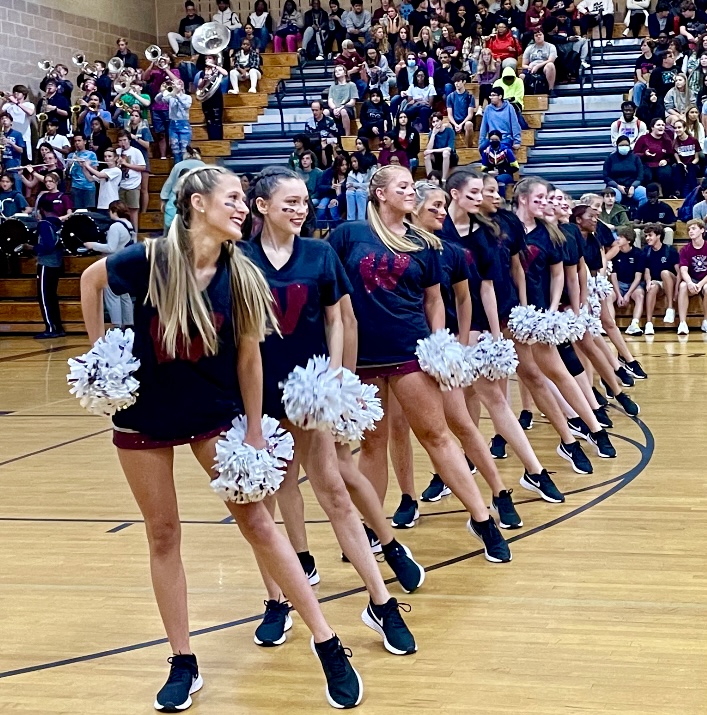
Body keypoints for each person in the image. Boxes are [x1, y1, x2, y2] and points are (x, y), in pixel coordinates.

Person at [79, 166, 363, 710]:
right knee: (163, 535)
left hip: (213, 412)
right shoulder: (150, 258)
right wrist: (100, 353)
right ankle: (183, 661)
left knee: (258, 520)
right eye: (232, 197)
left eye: (243, 199)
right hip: (144, 414)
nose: (241, 206)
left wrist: (255, 429)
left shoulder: (244, 274)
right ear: (196, 204)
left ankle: (327, 642)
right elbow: (92, 282)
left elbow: (251, 361)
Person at [242, 166, 420, 655]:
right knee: (268, 503)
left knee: (334, 493)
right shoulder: (238, 260)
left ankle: (380, 601)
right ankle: (278, 598)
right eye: (289, 203)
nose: (300, 210)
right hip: (255, 396)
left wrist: (338, 379)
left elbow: (341, 317)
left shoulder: (319, 253)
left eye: (303, 201)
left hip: (310, 391)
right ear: (261, 207)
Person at [515, 177, 620, 456]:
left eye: (549, 199)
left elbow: (566, 273)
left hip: (537, 313)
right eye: (540, 198)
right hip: (504, 314)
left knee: (556, 372)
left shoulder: (551, 234)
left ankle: (591, 426)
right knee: (515, 379)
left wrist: (555, 308)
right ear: (523, 199)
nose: (546, 203)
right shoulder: (503, 230)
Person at [29, 171, 72, 339]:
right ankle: (57, 327)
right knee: (51, 296)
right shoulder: (54, 225)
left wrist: (31, 248)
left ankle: (52, 328)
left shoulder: (45, 224)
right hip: (56, 262)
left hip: (47, 264)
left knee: (45, 297)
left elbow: (47, 246)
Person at [82, 199, 135, 329]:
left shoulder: (115, 226)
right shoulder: (129, 225)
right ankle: (129, 324)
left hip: (114, 263)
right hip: (127, 263)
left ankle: (116, 326)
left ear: (113, 211)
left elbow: (111, 248)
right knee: (124, 295)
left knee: (112, 295)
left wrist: (92, 245)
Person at [642, 222, 680, 334]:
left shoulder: (670, 250)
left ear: (658, 236)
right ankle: (649, 323)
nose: (647, 238)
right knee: (652, 287)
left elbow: (679, 272)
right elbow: (647, 270)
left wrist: (677, 289)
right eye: (646, 236)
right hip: (657, 282)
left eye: (650, 235)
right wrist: (648, 282)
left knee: (664, 273)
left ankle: (670, 308)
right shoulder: (646, 251)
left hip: (670, 280)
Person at [610, 226, 646, 335]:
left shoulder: (639, 254)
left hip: (633, 284)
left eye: (621, 237)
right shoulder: (615, 253)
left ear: (629, 240)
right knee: (607, 295)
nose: (618, 239)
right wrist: (619, 295)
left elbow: (638, 277)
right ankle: (611, 325)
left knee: (640, 294)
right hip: (619, 284)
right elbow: (613, 276)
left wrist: (628, 294)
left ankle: (634, 324)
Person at [159, 146, 205, 232]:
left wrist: (163, 199)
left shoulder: (178, 165)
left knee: (169, 229)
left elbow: (169, 183)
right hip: (196, 200)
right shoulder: (203, 166)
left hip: (176, 199)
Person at [144, 58, 181, 161]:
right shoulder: (155, 72)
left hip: (170, 106)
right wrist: (152, 64)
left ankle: (172, 153)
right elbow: (144, 77)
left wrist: (166, 69)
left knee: (171, 132)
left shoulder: (174, 71)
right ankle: (163, 155)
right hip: (156, 107)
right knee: (160, 133)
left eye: (165, 57)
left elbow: (177, 81)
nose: (162, 59)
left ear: (170, 60)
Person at [677, 217, 707, 333]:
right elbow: (683, 270)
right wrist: (690, 282)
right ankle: (682, 323)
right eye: (689, 229)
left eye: (694, 228)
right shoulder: (685, 249)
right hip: (692, 279)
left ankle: (705, 321)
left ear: (702, 230)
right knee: (683, 286)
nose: (690, 231)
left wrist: (700, 284)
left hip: (704, 280)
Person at [633, 118, 676, 197]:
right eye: (658, 125)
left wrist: (666, 160)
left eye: (663, 125)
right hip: (646, 164)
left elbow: (672, 156)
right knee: (646, 175)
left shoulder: (667, 140)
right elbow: (635, 155)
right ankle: (647, 196)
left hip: (660, 164)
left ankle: (667, 196)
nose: (661, 127)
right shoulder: (643, 139)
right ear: (652, 127)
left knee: (665, 173)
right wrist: (644, 154)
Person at [116, 130, 147, 231]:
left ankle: (135, 233)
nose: (123, 143)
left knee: (133, 210)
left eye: (125, 140)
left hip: (133, 184)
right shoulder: (117, 152)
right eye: (120, 141)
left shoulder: (136, 151)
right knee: (121, 211)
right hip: (121, 184)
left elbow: (143, 167)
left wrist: (126, 164)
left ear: (129, 140)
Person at [603, 136, 647, 207]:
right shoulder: (610, 158)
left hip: (633, 186)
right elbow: (606, 176)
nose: (624, 147)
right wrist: (618, 186)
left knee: (643, 193)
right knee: (613, 197)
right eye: (621, 145)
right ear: (617, 146)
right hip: (616, 186)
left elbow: (640, 176)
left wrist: (633, 186)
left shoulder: (635, 158)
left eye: (626, 145)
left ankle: (639, 215)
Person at [156, 79, 193, 163]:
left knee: (184, 149)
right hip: (173, 124)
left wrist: (177, 94)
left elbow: (186, 105)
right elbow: (157, 100)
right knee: (175, 149)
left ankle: (185, 169)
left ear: (182, 86)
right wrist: (162, 92)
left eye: (177, 84)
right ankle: (178, 168)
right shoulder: (170, 97)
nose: (175, 86)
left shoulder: (187, 97)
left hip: (183, 124)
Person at [125, 110, 153, 214]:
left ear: (140, 119)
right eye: (132, 115)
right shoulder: (127, 129)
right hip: (130, 160)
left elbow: (147, 145)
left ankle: (144, 212)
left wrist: (135, 138)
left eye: (136, 116)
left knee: (143, 189)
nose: (133, 117)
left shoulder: (144, 129)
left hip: (142, 159)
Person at [80, 147, 122, 215]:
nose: (107, 158)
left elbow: (99, 175)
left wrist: (88, 166)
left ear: (115, 158)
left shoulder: (116, 170)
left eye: (109, 156)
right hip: (101, 204)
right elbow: (90, 179)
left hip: (111, 204)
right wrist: (83, 167)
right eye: (105, 156)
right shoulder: (104, 170)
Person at [478, 86, 521, 152]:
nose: (491, 98)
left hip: (506, 138)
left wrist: (517, 141)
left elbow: (515, 124)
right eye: (490, 96)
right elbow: (484, 126)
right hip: (492, 138)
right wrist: (481, 142)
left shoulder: (509, 107)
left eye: (493, 95)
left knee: (502, 148)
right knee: (482, 148)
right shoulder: (488, 108)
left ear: (500, 96)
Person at [0, 85, 35, 161]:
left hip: (24, 136)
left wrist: (16, 102)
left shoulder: (29, 105)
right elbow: (1, 113)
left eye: (19, 92)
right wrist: (4, 101)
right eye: (14, 91)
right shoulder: (8, 105)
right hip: (10, 136)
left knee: (23, 160)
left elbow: (30, 112)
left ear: (24, 94)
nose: (16, 93)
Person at [480, 129, 519, 194]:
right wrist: (489, 172)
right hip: (491, 174)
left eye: (496, 140)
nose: (494, 141)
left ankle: (501, 199)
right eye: (492, 140)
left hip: (506, 174)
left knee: (499, 180)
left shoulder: (506, 151)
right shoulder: (486, 152)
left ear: (500, 140)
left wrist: (501, 171)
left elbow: (515, 167)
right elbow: (483, 168)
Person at [315, 152, 349, 227]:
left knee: (333, 206)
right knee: (321, 206)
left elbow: (347, 193)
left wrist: (338, 196)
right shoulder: (329, 172)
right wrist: (331, 187)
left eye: (346, 164)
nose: (345, 167)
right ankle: (320, 229)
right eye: (342, 165)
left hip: (342, 198)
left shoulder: (349, 175)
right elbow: (320, 187)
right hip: (328, 195)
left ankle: (336, 228)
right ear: (337, 166)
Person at [522, 29, 557, 96]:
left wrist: (538, 66)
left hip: (545, 66)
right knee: (522, 76)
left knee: (550, 65)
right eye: (536, 35)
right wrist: (529, 67)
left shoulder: (551, 46)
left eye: (540, 35)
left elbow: (551, 60)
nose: (538, 36)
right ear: (533, 38)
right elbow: (524, 65)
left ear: (543, 35)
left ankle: (551, 89)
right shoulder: (529, 48)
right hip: (532, 67)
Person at [66, 135, 98, 209]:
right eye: (75, 141)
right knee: (77, 210)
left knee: (89, 211)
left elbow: (95, 171)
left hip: (89, 187)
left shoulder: (91, 154)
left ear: (85, 142)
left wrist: (85, 165)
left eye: (79, 141)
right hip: (75, 186)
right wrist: (69, 165)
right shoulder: (71, 155)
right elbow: (67, 173)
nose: (77, 143)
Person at [423, 112, 457, 180]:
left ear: (441, 121)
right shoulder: (432, 133)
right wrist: (433, 134)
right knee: (427, 156)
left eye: (437, 121)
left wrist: (433, 150)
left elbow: (449, 148)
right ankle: (430, 179)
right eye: (433, 122)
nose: (435, 123)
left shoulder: (449, 131)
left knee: (445, 153)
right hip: (437, 157)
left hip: (450, 157)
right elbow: (428, 150)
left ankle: (443, 179)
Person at [446, 73, 475, 148]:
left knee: (469, 124)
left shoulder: (469, 96)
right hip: (454, 122)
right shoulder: (450, 96)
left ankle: (468, 148)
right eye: (455, 81)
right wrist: (456, 125)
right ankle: (450, 148)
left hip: (465, 122)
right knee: (446, 126)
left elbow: (470, 115)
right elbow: (450, 115)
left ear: (464, 82)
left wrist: (461, 124)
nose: (456, 83)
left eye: (458, 81)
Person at [328, 64, 358, 135]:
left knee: (343, 111)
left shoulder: (351, 85)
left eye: (340, 70)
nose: (337, 72)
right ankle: (328, 134)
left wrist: (341, 108)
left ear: (345, 73)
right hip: (335, 108)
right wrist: (335, 109)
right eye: (336, 71)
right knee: (325, 112)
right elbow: (330, 100)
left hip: (347, 108)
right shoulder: (332, 86)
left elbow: (352, 102)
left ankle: (347, 135)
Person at [0, 112, 25, 191]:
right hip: (2, 166)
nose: (4, 120)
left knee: (17, 190)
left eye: (6, 118)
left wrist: (10, 142)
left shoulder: (17, 134)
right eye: (2, 119)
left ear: (11, 122)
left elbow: (21, 150)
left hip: (14, 166)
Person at [346, 153, 374, 219]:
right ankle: (350, 220)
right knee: (349, 192)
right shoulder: (351, 173)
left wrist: (355, 185)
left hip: (369, 193)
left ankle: (361, 219)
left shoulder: (370, 170)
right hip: (356, 193)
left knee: (360, 192)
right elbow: (348, 184)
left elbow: (371, 184)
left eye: (355, 161)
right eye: (352, 162)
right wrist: (353, 187)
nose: (353, 164)